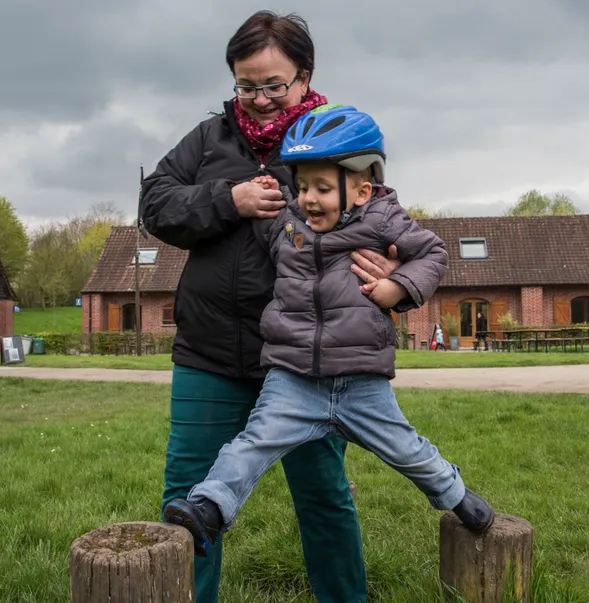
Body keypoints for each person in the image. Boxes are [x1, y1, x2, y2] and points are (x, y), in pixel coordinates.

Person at [138, 11, 403, 603]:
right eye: (244, 85)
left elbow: (382, 218)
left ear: (305, 76)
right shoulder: (209, 140)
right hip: (207, 352)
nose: (257, 99)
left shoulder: (339, 139)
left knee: (322, 494)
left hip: (307, 359)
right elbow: (155, 204)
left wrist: (391, 266)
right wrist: (226, 198)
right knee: (188, 494)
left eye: (273, 84)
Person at [161, 104, 495, 559]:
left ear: (361, 190)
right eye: (301, 187)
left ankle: (457, 496)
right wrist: (258, 195)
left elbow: (433, 254)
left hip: (360, 380)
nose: (308, 199)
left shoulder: (384, 219)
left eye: (321, 188)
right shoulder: (292, 221)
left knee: (406, 449)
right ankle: (209, 508)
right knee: (253, 442)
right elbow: (265, 229)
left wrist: (398, 286)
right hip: (292, 377)